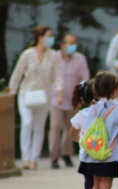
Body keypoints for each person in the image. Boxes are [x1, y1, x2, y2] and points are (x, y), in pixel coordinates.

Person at [8, 25, 63, 170]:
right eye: (48, 36)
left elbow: (58, 75)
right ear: (40, 37)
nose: (51, 39)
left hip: (44, 96)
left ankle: (34, 159)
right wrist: (11, 91)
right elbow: (17, 73)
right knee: (27, 122)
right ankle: (25, 157)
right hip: (26, 94)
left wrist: (59, 93)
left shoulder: (53, 55)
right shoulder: (27, 54)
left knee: (39, 127)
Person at [50, 33, 90, 169]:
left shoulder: (80, 59)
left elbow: (85, 79)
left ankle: (66, 154)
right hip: (56, 98)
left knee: (71, 128)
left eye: (74, 43)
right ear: (62, 44)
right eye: (70, 43)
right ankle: (54, 156)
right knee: (55, 127)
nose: (72, 46)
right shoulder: (54, 57)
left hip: (73, 100)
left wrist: (81, 97)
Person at [70, 80, 99, 189]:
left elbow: (73, 132)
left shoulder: (82, 115)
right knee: (99, 184)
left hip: (86, 155)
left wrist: (83, 143)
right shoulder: (103, 112)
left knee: (89, 184)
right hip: (102, 154)